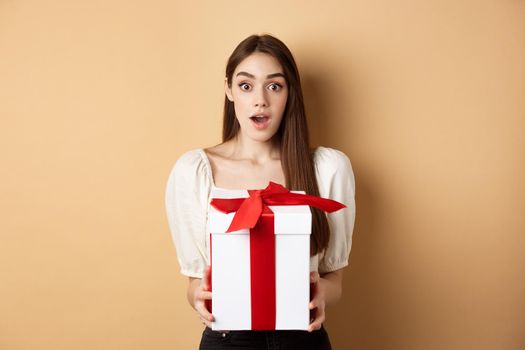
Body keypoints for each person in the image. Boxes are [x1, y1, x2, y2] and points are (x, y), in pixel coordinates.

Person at [165, 33, 356, 350]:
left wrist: (322, 292)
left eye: (275, 86)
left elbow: (334, 278)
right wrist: (196, 297)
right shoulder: (194, 171)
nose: (260, 100)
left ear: (289, 93)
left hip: (302, 338)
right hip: (227, 340)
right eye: (245, 85)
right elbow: (195, 283)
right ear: (229, 90)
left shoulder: (327, 169)